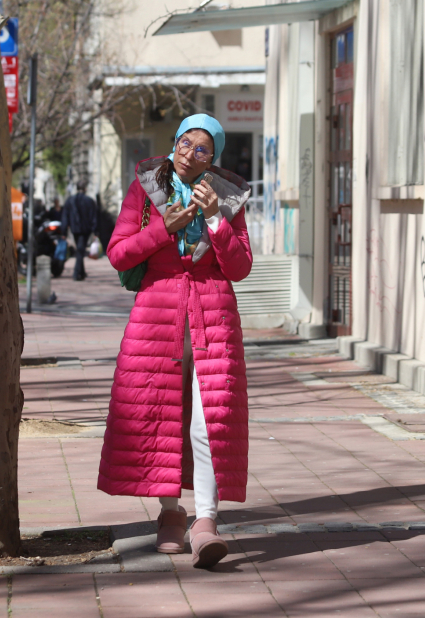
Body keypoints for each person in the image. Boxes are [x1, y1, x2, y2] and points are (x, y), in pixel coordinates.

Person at [97, 114, 253, 569]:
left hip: (213, 315)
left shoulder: (228, 197)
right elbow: (118, 253)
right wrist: (163, 228)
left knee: (209, 421)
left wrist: (214, 219)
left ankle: (206, 522)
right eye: (185, 143)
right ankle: (169, 514)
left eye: (202, 148)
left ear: (213, 158)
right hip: (156, 316)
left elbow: (240, 267)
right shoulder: (145, 190)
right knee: (160, 415)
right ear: (175, 144)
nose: (190, 153)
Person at [62, 180, 98, 281]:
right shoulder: (89, 201)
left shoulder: (70, 200)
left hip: (75, 229)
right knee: (80, 250)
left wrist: (64, 230)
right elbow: (94, 217)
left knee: (80, 249)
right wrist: (95, 231)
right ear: (85, 188)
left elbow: (65, 216)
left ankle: (81, 272)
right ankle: (76, 273)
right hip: (85, 229)